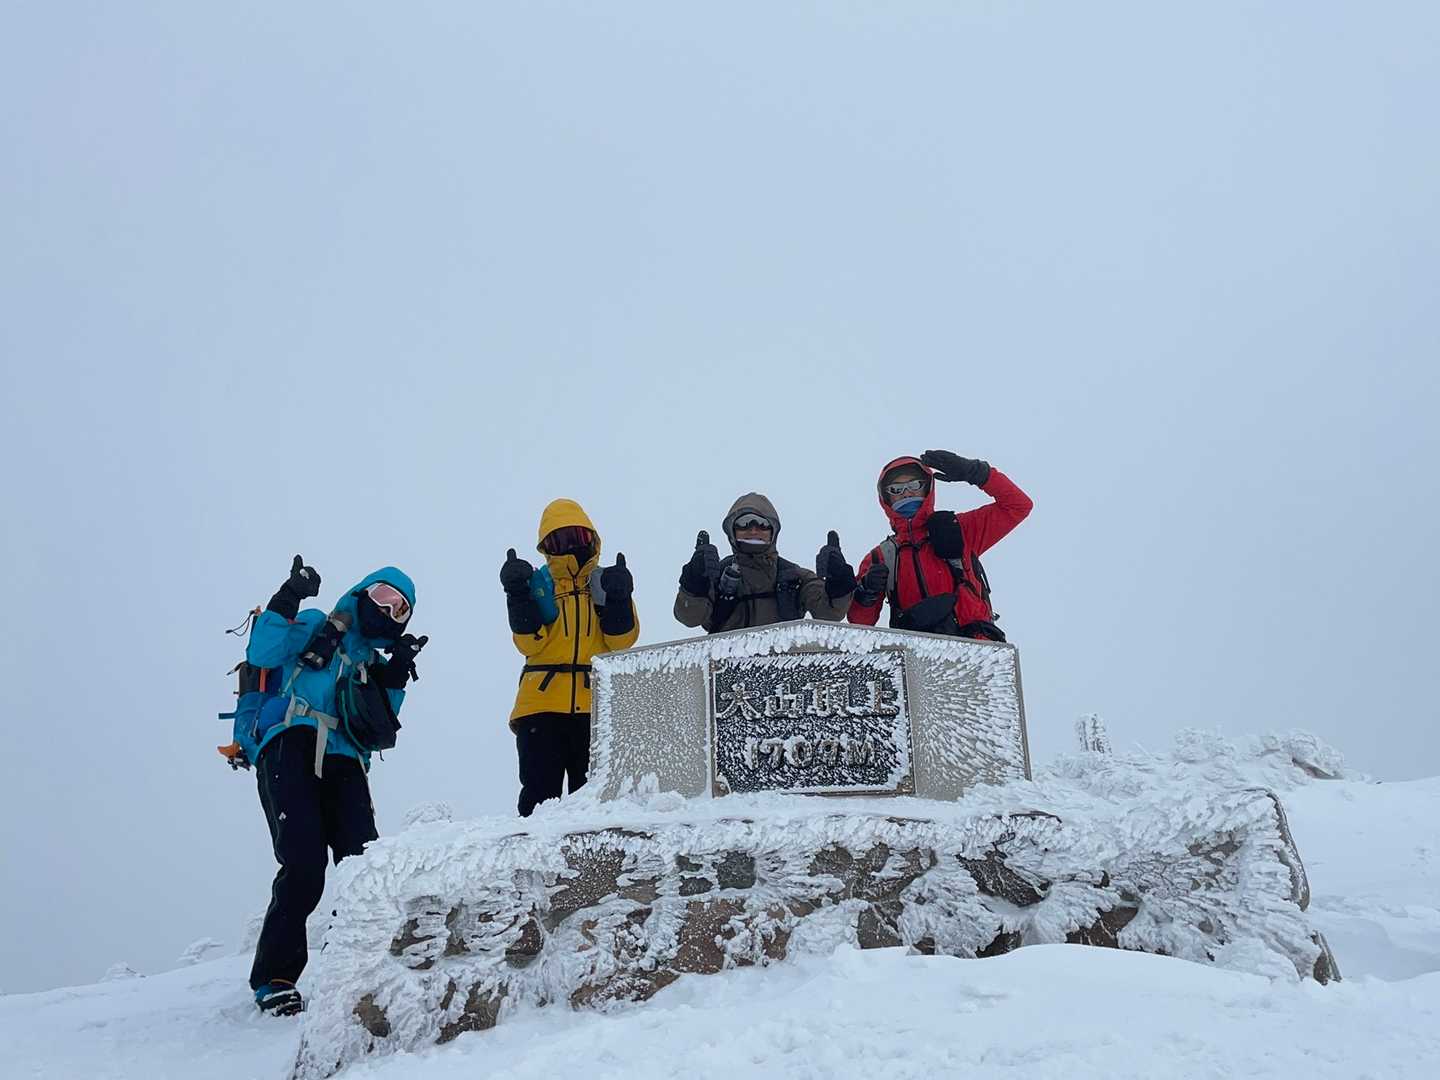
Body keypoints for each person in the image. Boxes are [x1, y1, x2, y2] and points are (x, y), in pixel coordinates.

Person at [241, 556, 424, 1016]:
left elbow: (379, 728)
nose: (388, 610)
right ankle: (275, 978)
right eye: (383, 597)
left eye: (400, 609)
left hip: (348, 760)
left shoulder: (372, 661)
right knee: (304, 864)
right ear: (362, 592)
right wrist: (289, 596)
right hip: (292, 743)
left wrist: (395, 677)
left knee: (362, 866)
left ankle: (355, 969)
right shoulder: (317, 626)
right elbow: (263, 653)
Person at [501, 499, 639, 817]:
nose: (569, 546)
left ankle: (590, 854)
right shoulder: (537, 585)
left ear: (591, 538)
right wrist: (518, 597)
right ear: (547, 547)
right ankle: (534, 850)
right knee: (538, 798)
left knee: (594, 802)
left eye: (575, 536)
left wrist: (620, 599)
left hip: (596, 708)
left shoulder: (605, 583)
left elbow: (621, 642)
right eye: (559, 540)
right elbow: (529, 643)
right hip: (541, 708)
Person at [848, 450, 1032, 640]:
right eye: (896, 489)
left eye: (914, 485)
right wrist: (867, 593)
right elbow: (859, 623)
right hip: (916, 654)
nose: (907, 493)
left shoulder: (961, 529)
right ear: (885, 498)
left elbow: (1018, 505)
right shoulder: (880, 557)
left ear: (928, 488)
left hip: (977, 648)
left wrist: (975, 472)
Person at [674, 493, 856, 633]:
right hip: (724, 668)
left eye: (762, 524)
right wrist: (694, 583)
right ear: (732, 532)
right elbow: (689, 618)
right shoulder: (716, 576)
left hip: (782, 669)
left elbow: (829, 614)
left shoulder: (794, 576)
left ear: (773, 532)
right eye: (744, 523)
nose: (753, 530)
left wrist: (838, 582)